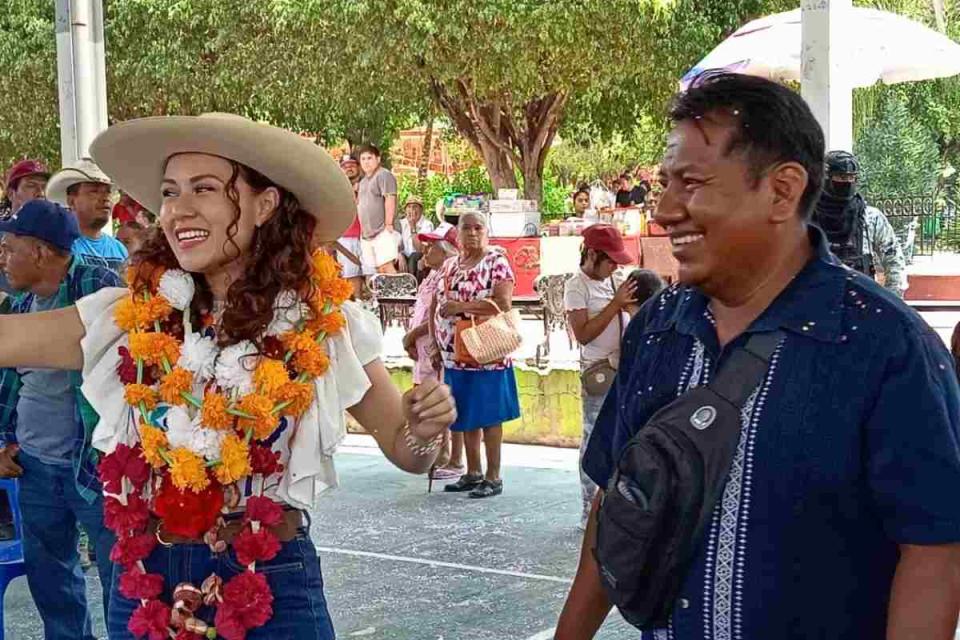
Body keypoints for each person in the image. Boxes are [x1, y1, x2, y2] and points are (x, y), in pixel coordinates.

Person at [0, 113, 457, 639]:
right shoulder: (125, 319)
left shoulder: (321, 324)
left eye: (206, 188)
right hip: (148, 578)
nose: (178, 210)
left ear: (264, 205)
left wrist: (425, 433)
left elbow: (408, 452)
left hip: (267, 580)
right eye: (170, 192)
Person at [555, 73, 960, 639]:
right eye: (665, 183)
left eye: (691, 183)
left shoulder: (886, 346)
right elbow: (615, 499)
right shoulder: (657, 330)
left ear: (781, 190)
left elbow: (933, 549)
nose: (666, 209)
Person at [0, 199, 121, 639]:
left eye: (10, 248)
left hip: (92, 467)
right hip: (34, 466)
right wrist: (3, 440)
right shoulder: (20, 305)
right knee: (51, 580)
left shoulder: (98, 286)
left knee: (121, 578)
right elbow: (11, 384)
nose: (3, 258)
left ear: (38, 251)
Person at [435, 211, 520, 499]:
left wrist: (461, 307)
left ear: (486, 231)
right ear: (457, 233)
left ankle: (493, 476)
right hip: (454, 352)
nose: (472, 233)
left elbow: (503, 302)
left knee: (489, 416)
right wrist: (436, 346)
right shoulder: (449, 265)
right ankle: (472, 472)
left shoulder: (496, 260)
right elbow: (438, 304)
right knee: (465, 414)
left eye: (477, 227)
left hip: (487, 352)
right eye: (466, 228)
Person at [563, 225, 640, 529]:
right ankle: (588, 510)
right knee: (593, 438)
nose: (614, 267)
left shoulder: (615, 282)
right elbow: (583, 333)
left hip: (623, 370)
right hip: (598, 372)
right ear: (592, 254)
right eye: (610, 260)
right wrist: (615, 305)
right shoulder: (576, 286)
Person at [402, 222, 462, 481]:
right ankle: (435, 454)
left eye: (431, 248)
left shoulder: (447, 276)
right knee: (426, 402)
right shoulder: (430, 276)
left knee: (439, 402)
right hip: (423, 352)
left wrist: (412, 336)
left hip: (435, 349)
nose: (425, 253)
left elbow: (434, 317)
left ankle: (448, 457)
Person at [812, 150, 908, 297]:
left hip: (860, 302)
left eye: (852, 177)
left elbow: (894, 260)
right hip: (819, 300)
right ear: (826, 178)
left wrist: (893, 299)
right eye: (842, 177)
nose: (848, 182)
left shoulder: (870, 217)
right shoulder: (807, 218)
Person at [47, 158, 128, 275]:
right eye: (94, 191)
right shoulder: (60, 246)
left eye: (108, 191)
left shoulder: (120, 249)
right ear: (71, 201)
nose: (105, 198)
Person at [358, 144, 400, 274]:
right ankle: (384, 294)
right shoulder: (363, 181)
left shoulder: (384, 175)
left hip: (383, 230)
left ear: (378, 159)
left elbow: (390, 198)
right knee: (379, 270)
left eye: (369, 158)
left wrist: (389, 224)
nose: (366, 162)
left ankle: (398, 293)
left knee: (387, 267)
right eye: (363, 159)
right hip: (368, 234)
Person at [336, 153, 365, 299]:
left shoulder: (367, 184)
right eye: (346, 166)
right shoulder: (337, 188)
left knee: (370, 273)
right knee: (352, 274)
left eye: (352, 166)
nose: (349, 169)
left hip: (367, 235)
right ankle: (357, 306)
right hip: (347, 236)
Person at [399, 195, 434, 279]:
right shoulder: (401, 224)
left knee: (414, 256)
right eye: (409, 207)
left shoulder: (427, 224)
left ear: (421, 210)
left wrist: (413, 227)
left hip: (419, 258)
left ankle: (412, 286)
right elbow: (393, 243)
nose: (412, 210)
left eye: (415, 207)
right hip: (404, 257)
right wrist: (399, 255)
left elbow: (420, 249)